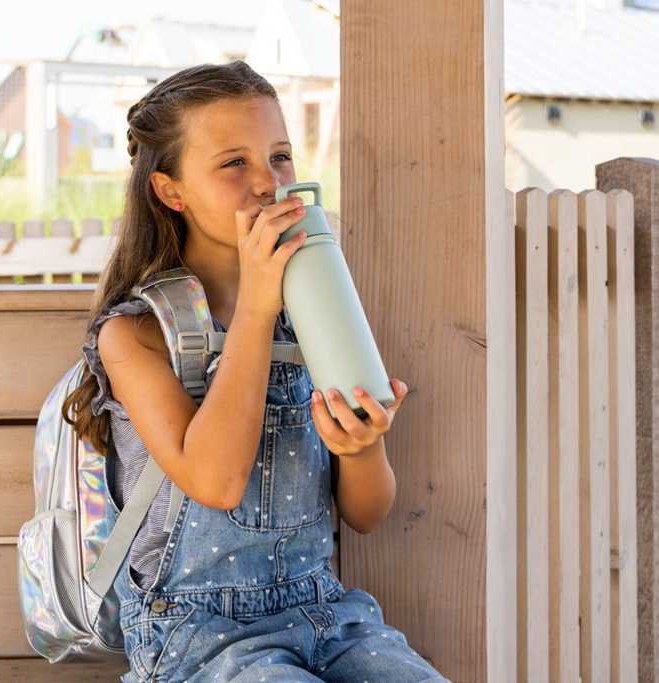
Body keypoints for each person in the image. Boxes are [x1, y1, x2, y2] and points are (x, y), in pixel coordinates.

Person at [62, 60, 449, 683]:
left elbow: (369, 512)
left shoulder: (314, 312)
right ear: (171, 191)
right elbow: (215, 482)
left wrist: (362, 446)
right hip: (195, 635)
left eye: (281, 156)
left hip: (325, 613)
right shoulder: (134, 334)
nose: (269, 182)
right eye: (233, 163)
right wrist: (259, 308)